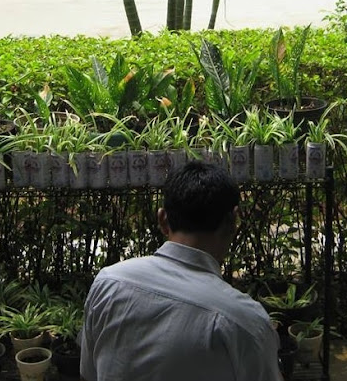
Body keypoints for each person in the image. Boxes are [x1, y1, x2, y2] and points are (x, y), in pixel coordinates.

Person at [79, 160, 282, 381]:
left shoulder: (108, 283)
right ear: (232, 221)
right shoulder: (245, 323)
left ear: (163, 219)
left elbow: (88, 374)